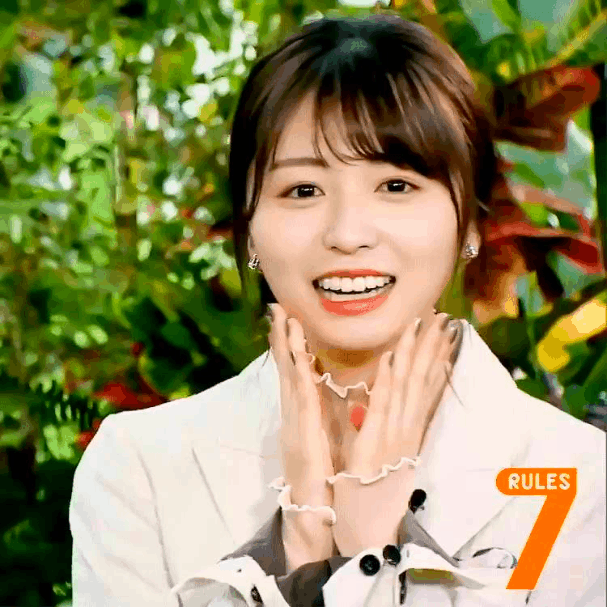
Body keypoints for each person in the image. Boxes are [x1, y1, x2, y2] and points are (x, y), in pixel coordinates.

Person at [69, 14, 606, 607]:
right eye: (303, 190)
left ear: (471, 225)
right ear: (249, 229)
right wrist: (302, 547)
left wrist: (363, 554)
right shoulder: (142, 468)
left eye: (396, 186)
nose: (348, 234)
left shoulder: (577, 478)